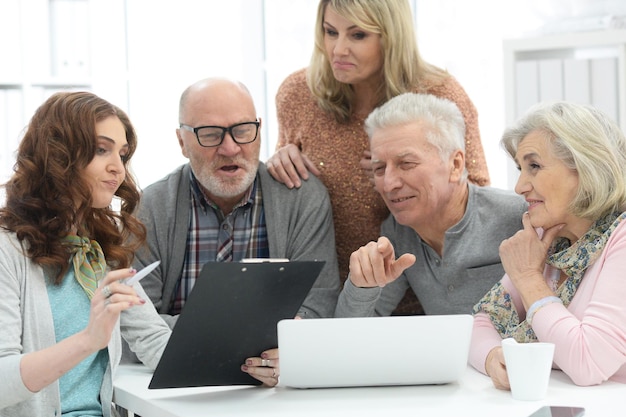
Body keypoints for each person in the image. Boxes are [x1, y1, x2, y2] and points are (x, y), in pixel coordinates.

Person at [268, 0, 491, 314]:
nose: (338, 49)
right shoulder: (298, 94)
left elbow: (475, 196)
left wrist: (402, 173)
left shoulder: (440, 93)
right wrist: (277, 164)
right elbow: (293, 200)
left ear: (391, 36)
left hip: (423, 297)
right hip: (324, 297)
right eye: (330, 32)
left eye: (357, 35)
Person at [133, 77, 341, 385]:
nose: (230, 148)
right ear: (181, 142)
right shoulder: (150, 206)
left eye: (242, 130)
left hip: (278, 390)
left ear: (259, 129)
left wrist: (289, 347)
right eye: (210, 134)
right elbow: (135, 320)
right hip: (173, 389)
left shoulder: (302, 197)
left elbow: (319, 305)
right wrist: (250, 336)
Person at [0, 92, 172, 416]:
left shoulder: (98, 252)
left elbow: (156, 343)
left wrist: (247, 359)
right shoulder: (6, 251)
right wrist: (88, 339)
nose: (118, 169)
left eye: (122, 155)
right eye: (100, 150)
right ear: (57, 155)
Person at [471, 101, 626, 387]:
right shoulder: (551, 241)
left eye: (534, 166)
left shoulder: (621, 237)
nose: (519, 186)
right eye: (520, 168)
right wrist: (493, 357)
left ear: (586, 167)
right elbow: (481, 323)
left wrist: (529, 278)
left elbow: (588, 362)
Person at [334, 93, 526, 318]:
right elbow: (348, 334)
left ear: (455, 165)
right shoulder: (397, 234)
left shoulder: (521, 217)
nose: (388, 184)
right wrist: (361, 287)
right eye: (379, 169)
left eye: (406, 164)